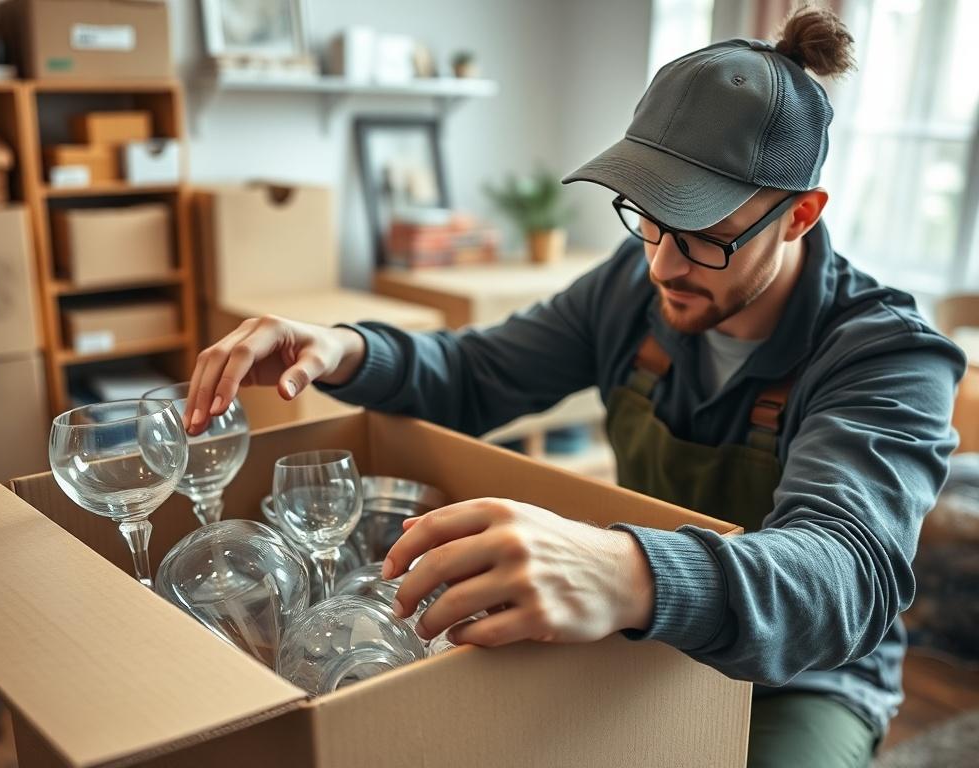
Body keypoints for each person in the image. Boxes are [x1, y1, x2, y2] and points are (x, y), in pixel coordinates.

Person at [184, 7, 965, 766]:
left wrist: (624, 571)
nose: (662, 265)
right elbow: (478, 373)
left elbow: (847, 572)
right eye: (648, 218)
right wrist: (344, 349)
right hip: (649, 637)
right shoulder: (633, 285)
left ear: (800, 216)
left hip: (806, 680)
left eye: (706, 240)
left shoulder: (889, 356)